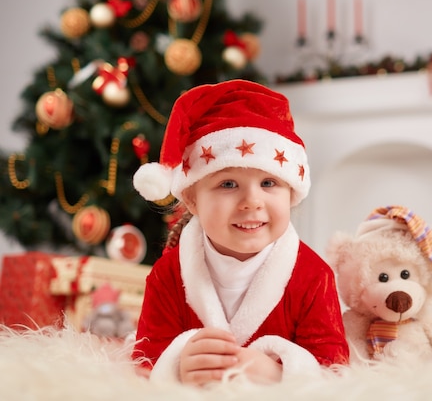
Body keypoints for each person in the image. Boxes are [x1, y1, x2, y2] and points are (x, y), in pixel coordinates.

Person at [131, 80, 349, 386]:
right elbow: (144, 363)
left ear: (291, 194)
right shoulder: (168, 275)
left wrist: (277, 375)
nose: (252, 202)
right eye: (228, 184)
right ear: (192, 199)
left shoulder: (313, 277)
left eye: (269, 183)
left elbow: (335, 371)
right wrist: (177, 365)